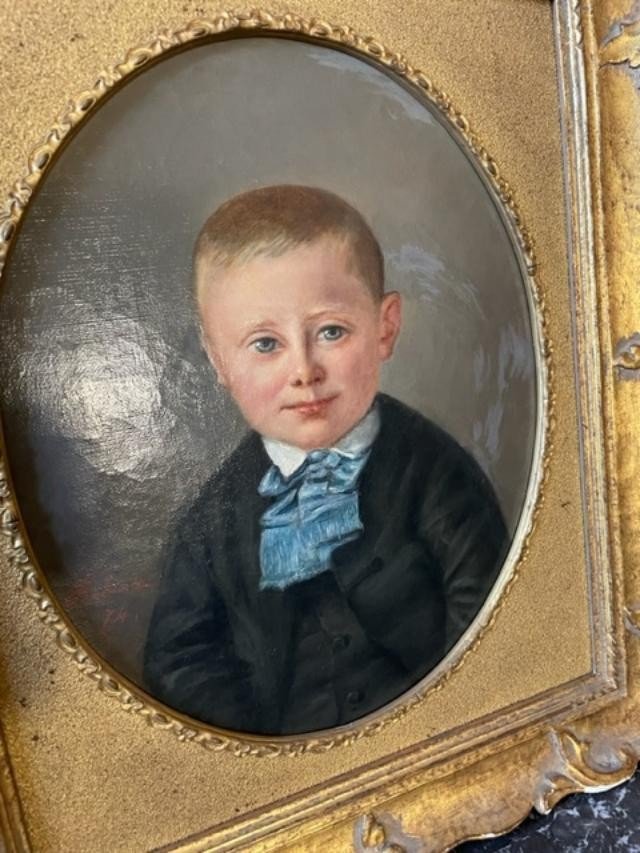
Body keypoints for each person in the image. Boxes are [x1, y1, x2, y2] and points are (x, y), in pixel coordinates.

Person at [143, 185, 508, 736]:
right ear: (219, 361)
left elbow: (487, 610)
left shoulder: (432, 471)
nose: (304, 370)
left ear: (384, 328)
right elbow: (181, 660)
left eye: (331, 332)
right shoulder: (211, 520)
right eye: (266, 344)